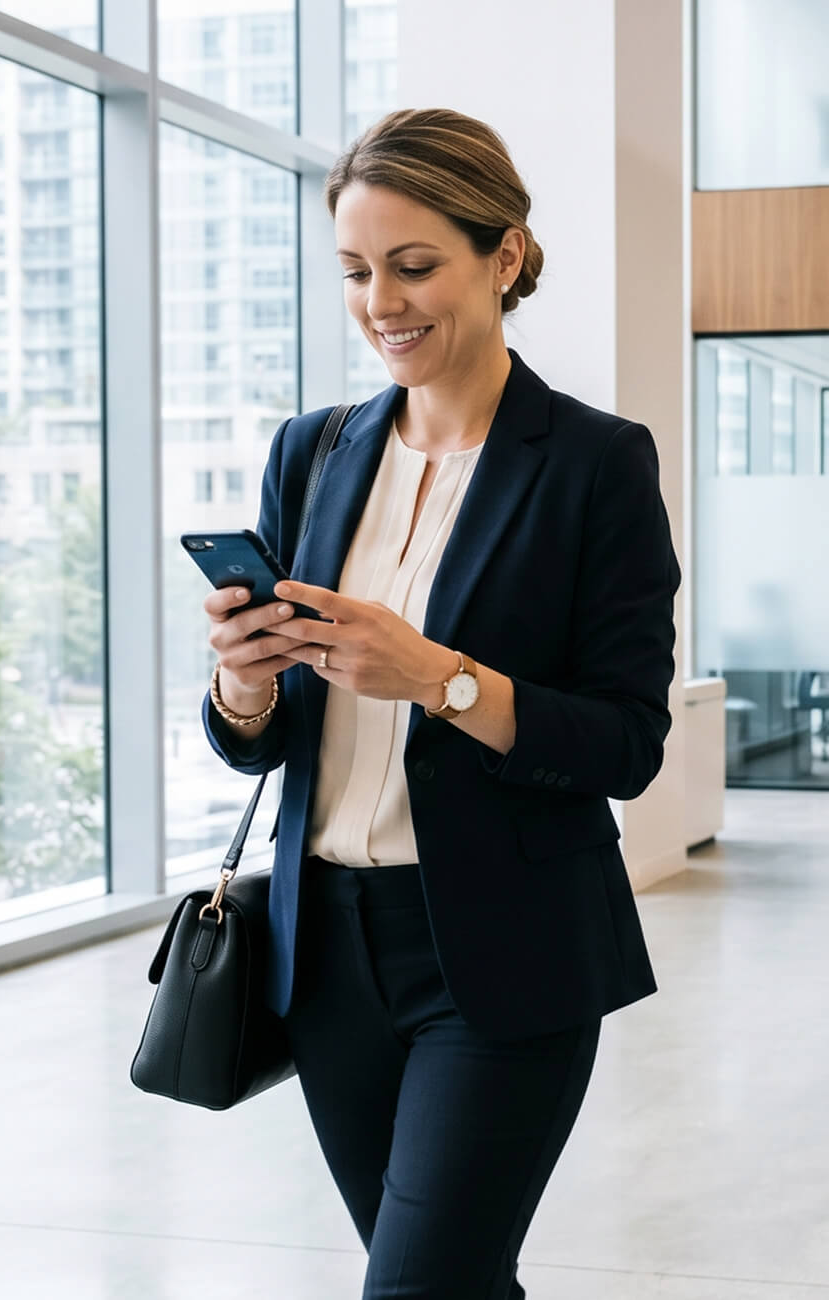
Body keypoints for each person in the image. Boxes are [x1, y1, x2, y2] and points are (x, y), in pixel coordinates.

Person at [199, 109, 681, 1299]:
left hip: (502, 954)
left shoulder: (593, 464)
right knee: (446, 1278)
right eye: (356, 272)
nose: (381, 303)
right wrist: (241, 680)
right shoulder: (312, 451)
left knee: (415, 1286)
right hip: (324, 958)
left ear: (503, 257)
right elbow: (250, 741)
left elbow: (626, 742)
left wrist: (441, 679)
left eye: (413, 266)